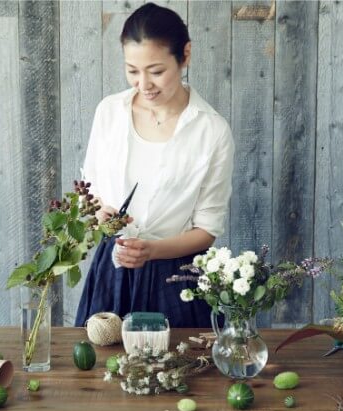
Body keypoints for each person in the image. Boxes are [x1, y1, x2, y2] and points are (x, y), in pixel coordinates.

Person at [74, 2, 234, 328]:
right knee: (98, 369)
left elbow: (206, 230)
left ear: (185, 55)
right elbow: (87, 195)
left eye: (157, 71)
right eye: (132, 70)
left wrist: (152, 251)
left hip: (175, 280)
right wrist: (97, 215)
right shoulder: (109, 112)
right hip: (111, 271)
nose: (143, 84)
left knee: (180, 374)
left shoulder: (211, 130)